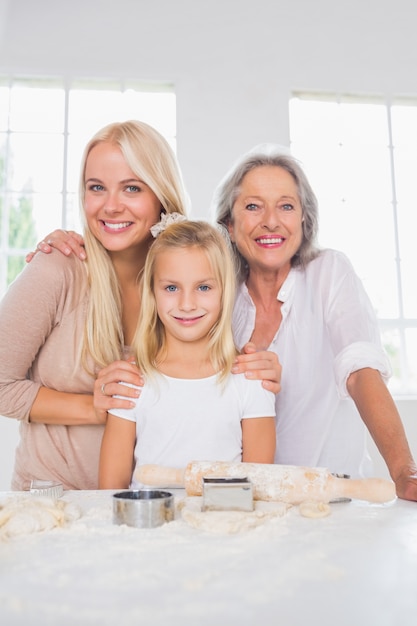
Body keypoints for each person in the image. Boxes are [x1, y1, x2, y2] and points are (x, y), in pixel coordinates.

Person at [213, 144, 417, 501]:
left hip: (333, 500)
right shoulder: (217, 297)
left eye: (286, 206)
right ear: (229, 225)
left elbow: (360, 367)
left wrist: (404, 470)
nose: (271, 221)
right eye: (253, 206)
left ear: (304, 221)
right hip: (247, 502)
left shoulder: (330, 272)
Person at [0, 119, 189, 490]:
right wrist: (95, 406)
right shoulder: (58, 269)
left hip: (149, 507)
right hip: (54, 506)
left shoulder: (186, 284)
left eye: (132, 188)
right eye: (97, 188)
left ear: (162, 197)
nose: (111, 206)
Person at [99, 219, 276, 489]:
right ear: (152, 292)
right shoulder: (132, 381)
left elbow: (258, 489)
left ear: (224, 291)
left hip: (226, 526)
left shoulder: (251, 381)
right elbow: (110, 492)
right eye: (171, 288)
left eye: (203, 287)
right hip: (146, 528)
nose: (187, 304)